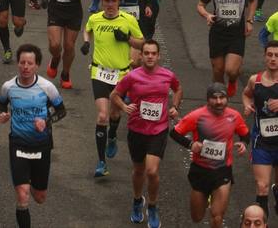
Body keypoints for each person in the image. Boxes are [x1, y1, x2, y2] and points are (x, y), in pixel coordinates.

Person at [110, 39, 182, 228]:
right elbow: (114, 95)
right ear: (141, 55)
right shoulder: (132, 76)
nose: (150, 56)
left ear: (158, 56)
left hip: (158, 130)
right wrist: (124, 106)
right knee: (139, 171)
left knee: (152, 171)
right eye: (146, 53)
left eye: (153, 53)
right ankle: (136, 200)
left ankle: (152, 206)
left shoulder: (167, 75)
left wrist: (174, 106)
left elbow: (178, 88)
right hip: (136, 130)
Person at [0, 43, 66, 228]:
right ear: (18, 64)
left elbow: (61, 111)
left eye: (30, 63)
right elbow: (1, 104)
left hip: (41, 145)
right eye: (22, 63)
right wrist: (2, 114)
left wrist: (47, 121)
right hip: (18, 144)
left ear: (37, 66)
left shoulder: (47, 87)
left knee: (40, 197)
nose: (25, 67)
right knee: (22, 194)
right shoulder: (9, 86)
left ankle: (31, 182)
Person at [83, 0, 144, 177]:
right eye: (106, 1)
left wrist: (126, 38)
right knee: (102, 116)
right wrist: (86, 42)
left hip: (121, 75)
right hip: (99, 72)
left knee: (115, 114)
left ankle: (112, 135)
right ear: (102, 2)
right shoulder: (95, 18)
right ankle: (101, 162)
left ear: (118, 3)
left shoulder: (128, 20)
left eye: (113, 1)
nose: (110, 5)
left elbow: (142, 43)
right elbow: (88, 30)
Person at [170, 83, 250, 228]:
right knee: (197, 217)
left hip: (222, 171)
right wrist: (190, 145)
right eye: (214, 98)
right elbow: (174, 133)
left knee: (217, 216)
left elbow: (245, 134)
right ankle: (207, 198)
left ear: (227, 99)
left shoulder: (234, 116)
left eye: (222, 97)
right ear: (208, 100)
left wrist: (244, 144)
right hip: (200, 171)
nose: (219, 102)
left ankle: (213, 199)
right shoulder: (197, 116)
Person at [197, 0, 256, 97]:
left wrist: (249, 20)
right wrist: (207, 14)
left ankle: (232, 80)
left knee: (231, 70)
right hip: (217, 32)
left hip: (236, 33)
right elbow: (200, 5)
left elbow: (252, 0)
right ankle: (219, 98)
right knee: (218, 70)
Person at [242, 42, 278, 219]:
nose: (273, 59)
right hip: (261, 141)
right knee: (262, 185)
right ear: (264, 56)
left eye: (277, 56)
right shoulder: (255, 80)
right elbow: (246, 94)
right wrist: (247, 105)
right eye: (270, 55)